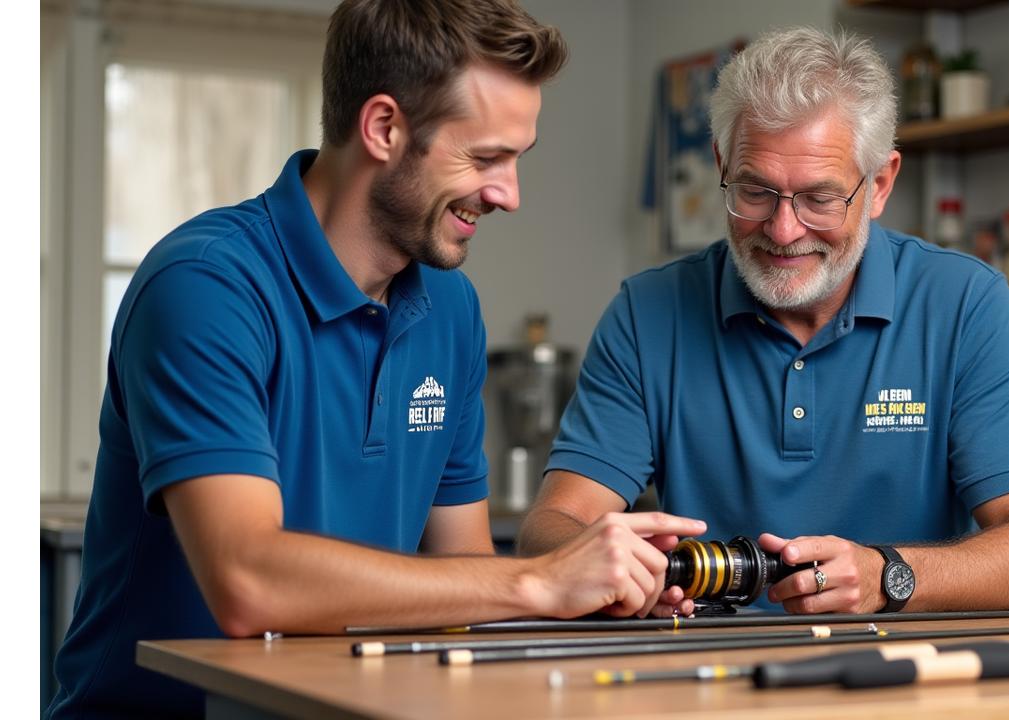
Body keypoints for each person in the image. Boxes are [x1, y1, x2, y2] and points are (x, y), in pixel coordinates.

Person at [47, 2, 703, 717]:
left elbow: (464, 572)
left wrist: (588, 597)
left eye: (517, 159)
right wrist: (538, 581)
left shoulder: (451, 311)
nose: (508, 195)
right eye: (485, 157)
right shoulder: (205, 286)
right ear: (384, 127)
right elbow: (248, 582)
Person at [518, 26, 1009, 618]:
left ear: (880, 184)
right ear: (721, 164)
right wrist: (614, 576)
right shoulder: (646, 312)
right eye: (755, 191)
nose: (783, 231)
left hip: (904, 683)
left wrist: (888, 574)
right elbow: (551, 529)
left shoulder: (965, 304)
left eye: (819, 198)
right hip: (705, 683)